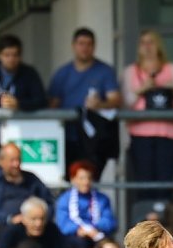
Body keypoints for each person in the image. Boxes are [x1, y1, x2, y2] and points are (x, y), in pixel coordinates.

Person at [122, 29, 173, 200]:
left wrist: (171, 83)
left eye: (151, 42)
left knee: (165, 183)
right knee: (144, 183)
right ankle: (147, 223)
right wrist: (143, 88)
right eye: (143, 43)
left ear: (158, 45)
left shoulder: (169, 69)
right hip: (140, 134)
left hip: (169, 133)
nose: (147, 47)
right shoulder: (132, 71)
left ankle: (164, 222)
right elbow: (127, 101)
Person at [48, 27, 121, 171]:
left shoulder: (105, 71)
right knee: (69, 182)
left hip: (95, 139)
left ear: (94, 47)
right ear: (73, 46)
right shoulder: (62, 73)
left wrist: (100, 104)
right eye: (81, 43)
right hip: (68, 137)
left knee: (90, 181)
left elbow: (116, 99)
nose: (85, 48)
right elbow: (52, 104)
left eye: (89, 44)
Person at [0, 34, 48, 163]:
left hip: (21, 134)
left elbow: (41, 100)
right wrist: (3, 103)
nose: (11, 59)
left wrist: (19, 104)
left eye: (15, 55)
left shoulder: (29, 73)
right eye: (7, 55)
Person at [0, 143, 55, 240]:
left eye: (18, 160)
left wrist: (37, 218)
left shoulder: (32, 180)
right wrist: (10, 219)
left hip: (32, 231)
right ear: (1, 161)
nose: (16, 164)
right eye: (12, 160)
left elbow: (49, 203)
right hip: (1, 231)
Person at [54, 159, 117, 248]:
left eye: (89, 178)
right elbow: (63, 225)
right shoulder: (64, 199)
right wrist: (79, 230)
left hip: (97, 233)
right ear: (73, 179)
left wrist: (94, 227)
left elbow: (109, 221)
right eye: (82, 178)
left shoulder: (102, 199)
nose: (86, 182)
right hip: (75, 237)